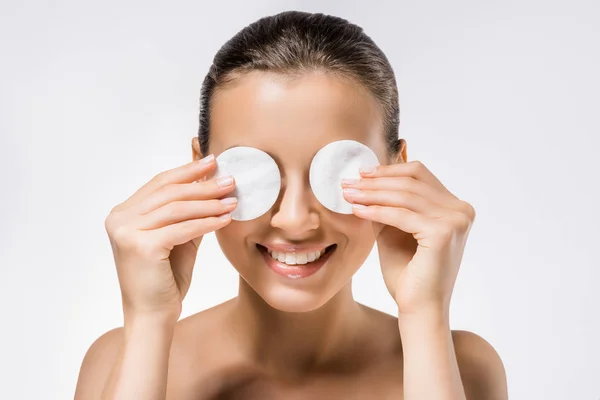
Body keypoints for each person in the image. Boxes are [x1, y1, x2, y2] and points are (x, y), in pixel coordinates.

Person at [74, 10, 507, 399]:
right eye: (253, 173)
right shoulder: (119, 362)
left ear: (398, 169)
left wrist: (425, 315)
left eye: (338, 172)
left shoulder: (466, 369)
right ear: (200, 170)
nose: (296, 220)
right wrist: (148, 319)